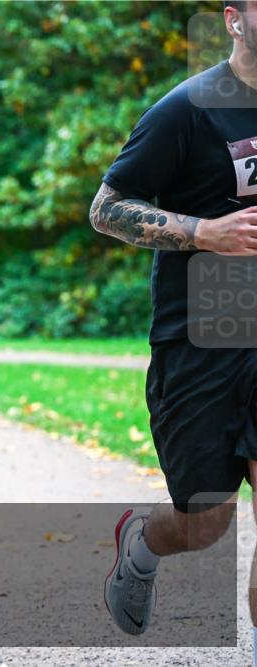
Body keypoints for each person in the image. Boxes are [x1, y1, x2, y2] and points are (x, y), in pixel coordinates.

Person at [89, 1, 257, 648]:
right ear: (234, 19)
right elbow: (107, 208)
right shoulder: (186, 109)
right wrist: (202, 232)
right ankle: (141, 545)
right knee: (206, 520)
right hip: (201, 341)